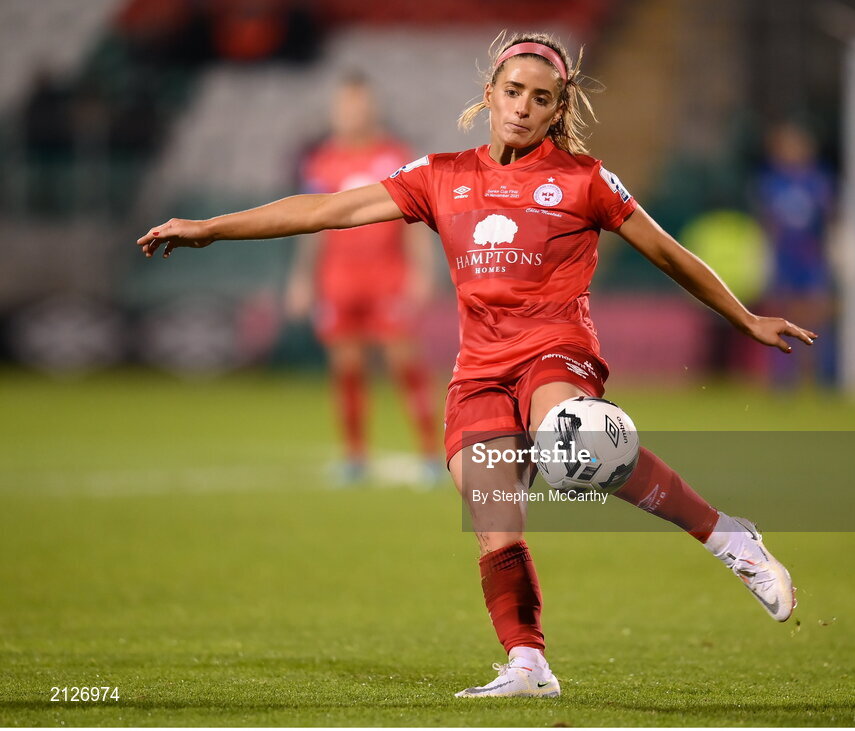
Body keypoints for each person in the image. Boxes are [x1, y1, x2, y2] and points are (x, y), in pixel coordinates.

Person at [137, 32, 817, 699]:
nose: (523, 106)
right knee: (494, 523)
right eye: (513, 91)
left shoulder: (583, 180)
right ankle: (528, 664)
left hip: (555, 352)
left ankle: (730, 537)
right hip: (479, 373)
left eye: (541, 98)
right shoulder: (441, 177)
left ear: (558, 110)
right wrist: (209, 226)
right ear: (489, 92)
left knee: (574, 438)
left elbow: (669, 253)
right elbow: (325, 209)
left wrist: (745, 317)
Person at [284, 75, 439, 483]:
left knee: (403, 362)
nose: (353, 112)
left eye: (360, 105)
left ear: (372, 108)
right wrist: (303, 278)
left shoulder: (395, 156)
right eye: (346, 106)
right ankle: (354, 457)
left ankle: (429, 453)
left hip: (387, 276)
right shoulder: (322, 162)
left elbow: (415, 219)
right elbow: (312, 224)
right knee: (346, 367)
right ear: (336, 111)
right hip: (338, 279)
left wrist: (421, 270)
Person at [756, 121, 836, 387]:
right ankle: (783, 380)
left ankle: (825, 377)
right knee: (783, 317)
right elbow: (768, 223)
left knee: (816, 315)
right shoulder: (771, 182)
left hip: (810, 256)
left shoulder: (818, 180)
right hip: (785, 257)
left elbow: (830, 218)